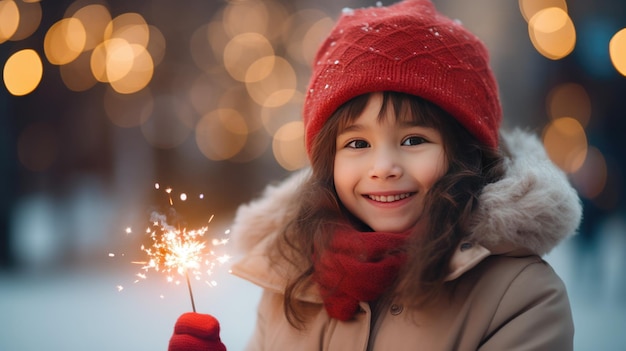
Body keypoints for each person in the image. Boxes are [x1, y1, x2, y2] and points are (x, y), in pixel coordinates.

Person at [168, 0, 582, 350]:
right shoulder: (290, 280)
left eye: (414, 139)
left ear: (465, 154)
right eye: (357, 144)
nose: (383, 168)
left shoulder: (521, 297)